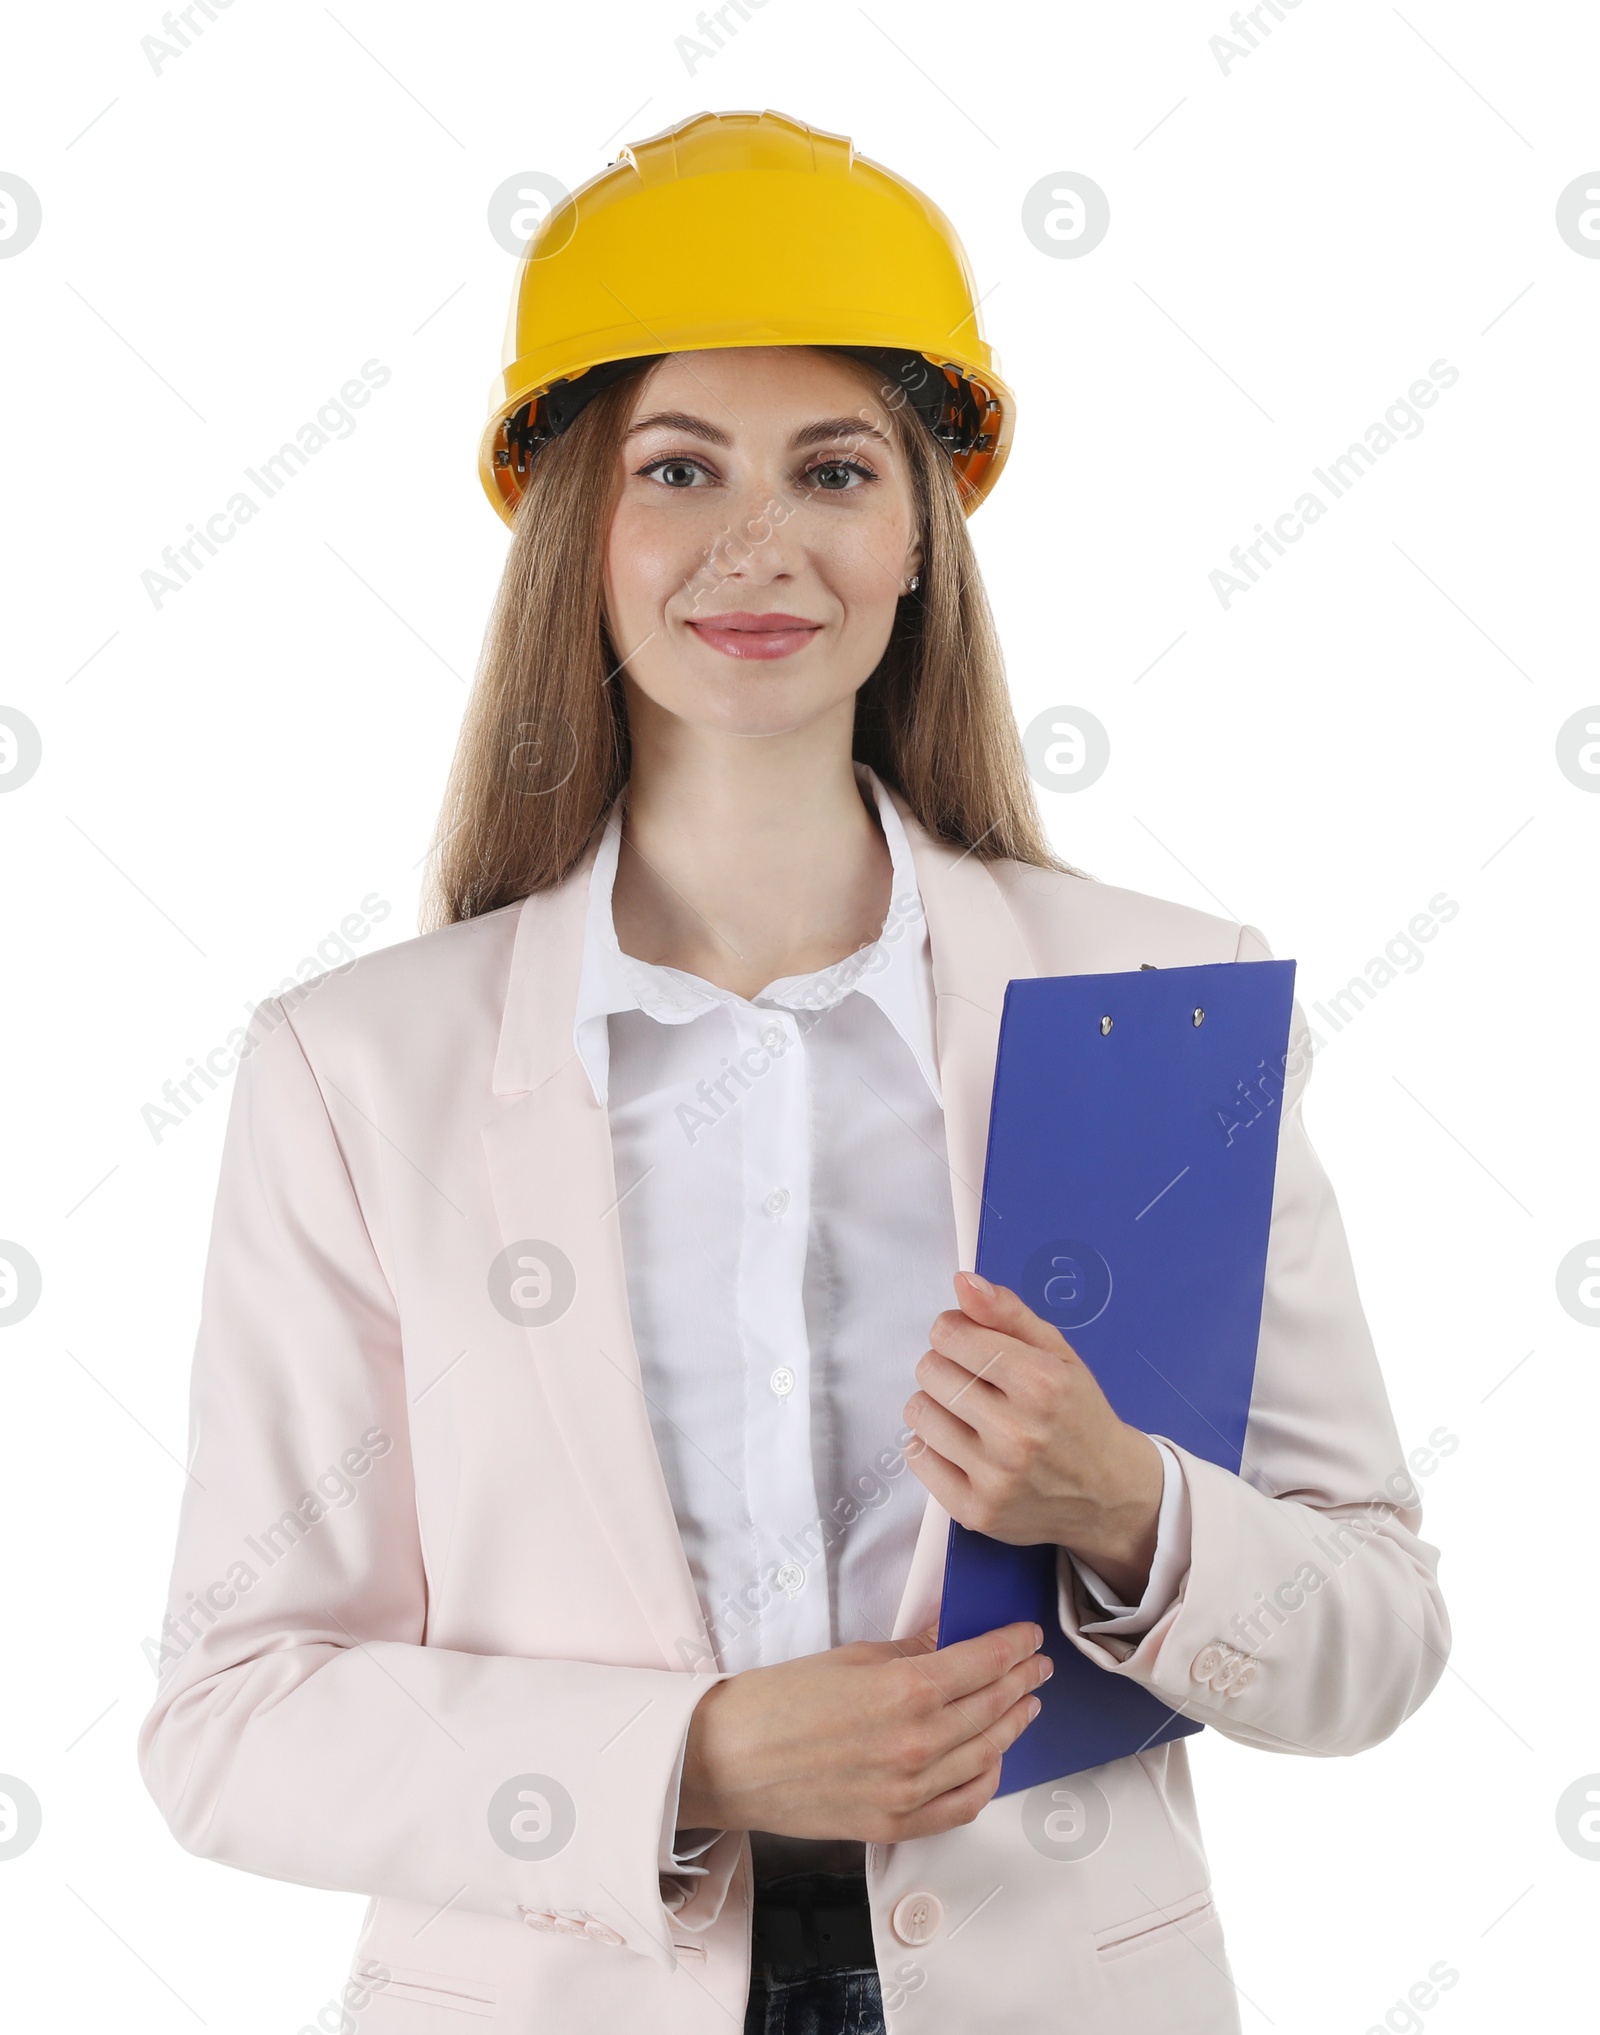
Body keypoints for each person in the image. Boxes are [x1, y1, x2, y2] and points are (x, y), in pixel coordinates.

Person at [139, 110, 1449, 2035]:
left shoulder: (1164, 1009)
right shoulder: (361, 1072)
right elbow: (231, 1715)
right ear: (586, 529)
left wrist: (1126, 1508)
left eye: (833, 468)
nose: (760, 544)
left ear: (920, 529)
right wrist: (701, 1758)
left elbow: (1381, 1639)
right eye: (681, 468)